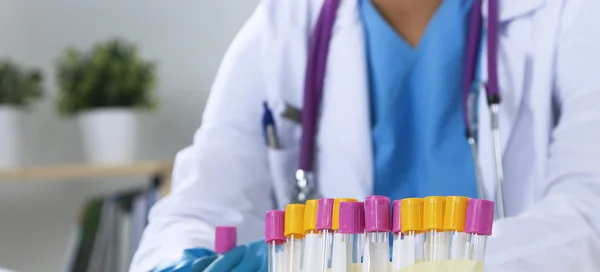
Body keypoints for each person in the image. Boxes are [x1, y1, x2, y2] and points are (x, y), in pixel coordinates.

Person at [130, 0, 600, 271]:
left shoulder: (569, 14)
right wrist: (181, 264)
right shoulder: (286, 25)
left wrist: (396, 259)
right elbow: (199, 206)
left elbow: (588, 218)